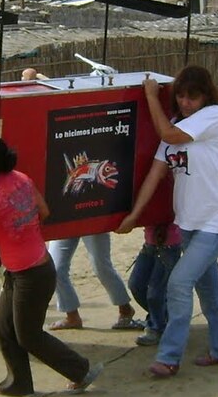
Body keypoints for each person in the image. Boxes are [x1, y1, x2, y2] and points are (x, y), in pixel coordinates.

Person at [117, 65, 218, 376]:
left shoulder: (215, 116)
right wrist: (134, 215)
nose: (186, 102)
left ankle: (169, 357)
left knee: (179, 284)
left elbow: (168, 135)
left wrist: (151, 97)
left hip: (217, 221)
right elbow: (155, 175)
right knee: (208, 289)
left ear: (205, 96)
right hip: (189, 221)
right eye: (181, 96)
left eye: (192, 97)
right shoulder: (175, 124)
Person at [0, 134, 103, 396]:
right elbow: (44, 212)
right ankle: (18, 383)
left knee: (28, 336)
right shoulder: (21, 179)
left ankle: (81, 371)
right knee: (3, 327)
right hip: (33, 266)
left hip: (30, 275)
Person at [18, 67, 140, 331]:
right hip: (64, 208)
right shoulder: (64, 110)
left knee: (100, 265)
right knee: (56, 267)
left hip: (93, 210)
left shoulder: (108, 123)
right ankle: (72, 315)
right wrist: (30, 79)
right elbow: (32, 78)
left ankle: (125, 309)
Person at [127, 223, 182, 346]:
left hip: (170, 245)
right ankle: (161, 317)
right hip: (150, 243)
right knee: (135, 285)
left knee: (155, 293)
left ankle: (157, 327)